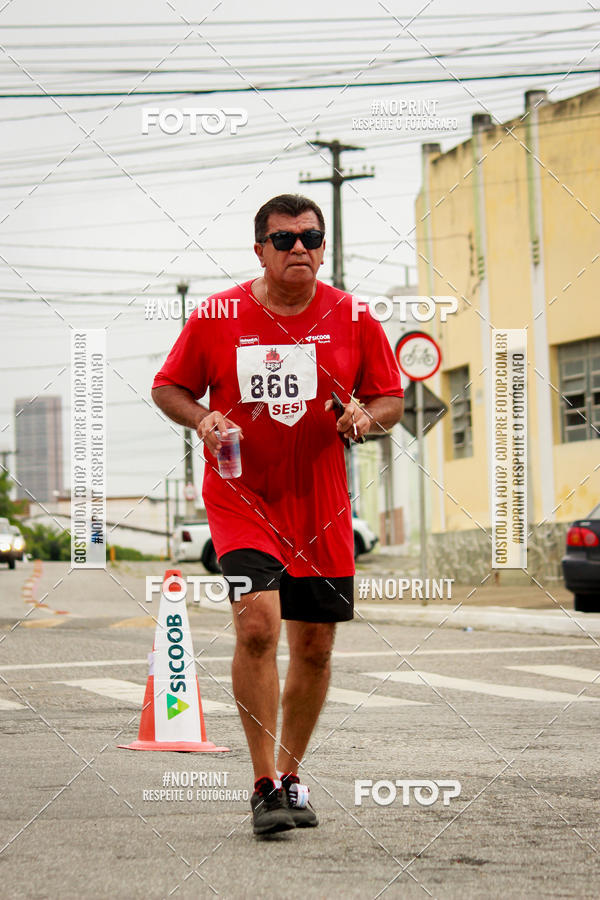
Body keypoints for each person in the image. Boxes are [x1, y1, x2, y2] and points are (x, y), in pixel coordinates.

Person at [152, 194, 404, 835]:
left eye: (312, 238)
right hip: (241, 497)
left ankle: (293, 779)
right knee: (258, 625)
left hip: (320, 504)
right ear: (259, 248)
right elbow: (167, 386)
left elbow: (390, 398)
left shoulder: (352, 317)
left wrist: (363, 419)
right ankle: (263, 783)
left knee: (315, 647)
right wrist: (203, 417)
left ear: (323, 247)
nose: (301, 249)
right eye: (285, 238)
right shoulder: (218, 315)